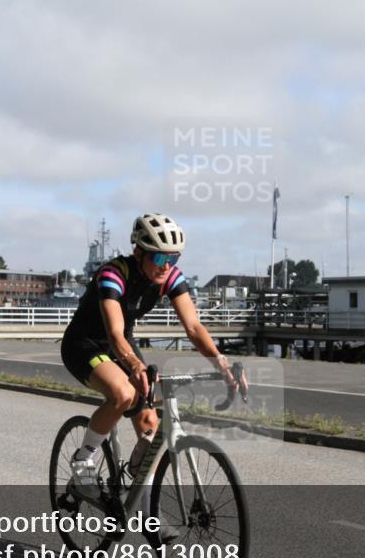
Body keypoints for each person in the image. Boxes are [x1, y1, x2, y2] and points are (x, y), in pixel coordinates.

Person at [61, 213, 243, 500]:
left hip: (121, 345)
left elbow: (194, 327)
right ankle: (84, 459)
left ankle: (142, 509)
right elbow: (115, 333)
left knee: (150, 429)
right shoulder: (113, 273)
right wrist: (135, 365)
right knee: (123, 394)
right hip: (86, 344)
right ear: (138, 251)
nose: (167, 266)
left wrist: (220, 362)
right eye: (159, 259)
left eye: (174, 258)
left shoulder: (169, 276)